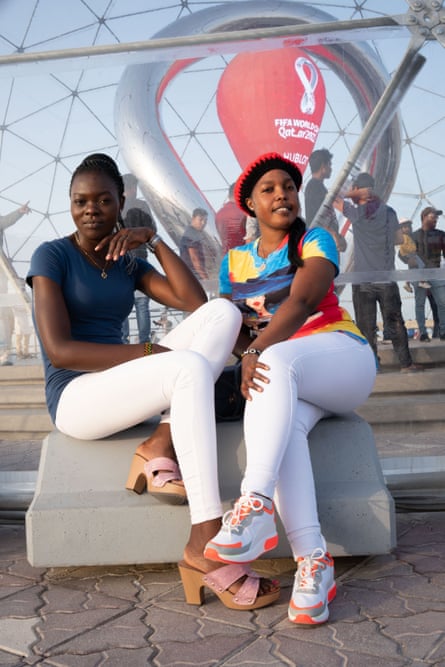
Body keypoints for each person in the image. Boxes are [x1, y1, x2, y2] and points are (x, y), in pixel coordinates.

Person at [26, 152, 279, 612]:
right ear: (70, 204)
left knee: (221, 313)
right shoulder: (52, 256)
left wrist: (154, 241)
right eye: (80, 201)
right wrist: (147, 352)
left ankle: (160, 442)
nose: (90, 210)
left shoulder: (125, 261)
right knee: (184, 367)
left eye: (103, 200)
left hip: (125, 384)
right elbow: (60, 349)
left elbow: (193, 301)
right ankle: (205, 538)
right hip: (76, 396)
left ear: (121, 202)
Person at [203, 152, 377, 626]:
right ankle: (313, 562)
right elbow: (232, 324)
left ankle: (254, 503)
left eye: (288, 186)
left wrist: (256, 352)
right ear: (251, 206)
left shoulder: (315, 239)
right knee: (286, 434)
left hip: (341, 357)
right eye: (269, 189)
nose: (282, 193)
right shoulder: (234, 262)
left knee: (273, 362)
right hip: (286, 374)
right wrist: (248, 352)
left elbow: (300, 301)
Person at [334, 173, 421, 372]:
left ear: (359, 190)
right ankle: (406, 363)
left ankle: (372, 365)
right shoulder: (389, 211)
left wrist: (352, 194)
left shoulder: (356, 213)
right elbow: (399, 240)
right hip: (386, 278)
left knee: (366, 326)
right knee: (395, 321)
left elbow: (334, 197)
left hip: (362, 279)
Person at [121, 173, 156, 343]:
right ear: (133, 187)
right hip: (141, 258)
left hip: (120, 259)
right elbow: (152, 229)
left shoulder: (116, 207)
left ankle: (124, 343)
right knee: (142, 304)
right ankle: (145, 346)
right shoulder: (142, 206)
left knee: (122, 304)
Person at [0, 201, 32, 365]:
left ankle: (5, 351)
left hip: (2, 273)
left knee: (4, 312)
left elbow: (5, 221)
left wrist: (19, 212)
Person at [411, 207, 445, 342]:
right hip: (419, 275)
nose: (435, 219)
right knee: (420, 304)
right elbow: (404, 255)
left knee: (442, 303)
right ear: (424, 217)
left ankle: (443, 331)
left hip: (436, 273)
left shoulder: (441, 235)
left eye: (436, 217)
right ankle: (423, 333)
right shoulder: (414, 236)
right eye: (433, 216)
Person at [304, 148, 347, 253]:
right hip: (320, 244)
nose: (331, 168)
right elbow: (314, 218)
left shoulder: (320, 187)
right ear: (323, 166)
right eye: (329, 165)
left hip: (327, 241)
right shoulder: (313, 187)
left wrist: (337, 236)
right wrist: (333, 234)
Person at [215, 183, 246, 254]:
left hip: (227, 256)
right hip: (243, 256)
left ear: (229, 195)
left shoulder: (219, 214)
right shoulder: (243, 212)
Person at [179, 208, 209, 281]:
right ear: (193, 219)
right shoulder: (191, 235)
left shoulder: (194, 233)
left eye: (205, 221)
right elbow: (194, 259)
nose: (203, 223)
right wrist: (205, 279)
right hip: (192, 277)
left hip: (190, 276)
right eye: (200, 220)